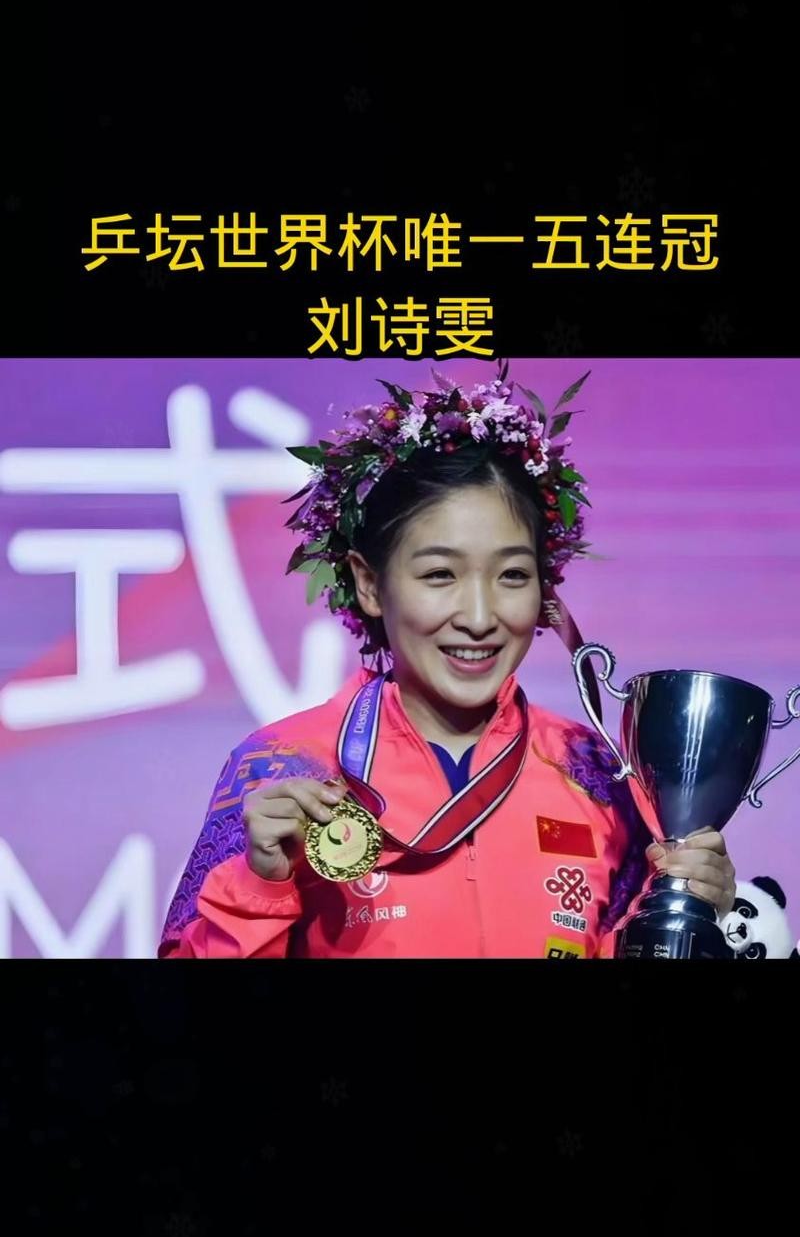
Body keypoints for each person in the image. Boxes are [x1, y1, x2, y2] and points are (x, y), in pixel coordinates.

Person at [158, 365, 735, 958]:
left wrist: (692, 909)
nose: (480, 617)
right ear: (370, 584)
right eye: (439, 574)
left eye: (513, 575)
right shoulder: (279, 766)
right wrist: (260, 887)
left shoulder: (600, 773)